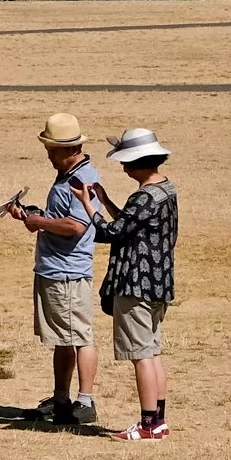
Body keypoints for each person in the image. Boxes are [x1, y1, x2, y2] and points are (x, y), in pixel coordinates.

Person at [70, 128, 177, 442]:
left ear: (139, 161)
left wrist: (89, 204)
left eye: (126, 162)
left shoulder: (143, 196)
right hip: (158, 283)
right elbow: (130, 226)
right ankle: (158, 420)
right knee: (153, 352)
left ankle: (147, 425)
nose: (123, 167)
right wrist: (105, 200)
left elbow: (110, 233)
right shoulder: (165, 190)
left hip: (135, 284)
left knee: (141, 354)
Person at [7, 113, 101, 424]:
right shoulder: (68, 175)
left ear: (70, 148)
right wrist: (32, 216)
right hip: (54, 270)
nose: (48, 156)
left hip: (68, 273)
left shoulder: (80, 179)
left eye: (52, 150)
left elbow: (76, 225)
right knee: (63, 338)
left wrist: (40, 222)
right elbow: (61, 218)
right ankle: (61, 398)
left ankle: (85, 402)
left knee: (81, 336)